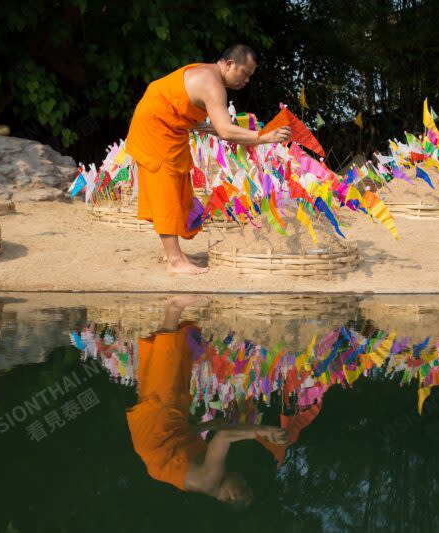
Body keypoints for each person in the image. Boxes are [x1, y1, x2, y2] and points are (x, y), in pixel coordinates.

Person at [125, 45, 292, 275]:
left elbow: (179, 102)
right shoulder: (213, 85)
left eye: (250, 76)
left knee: (179, 183)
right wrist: (265, 137)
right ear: (229, 64)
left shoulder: (208, 74)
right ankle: (174, 260)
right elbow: (225, 130)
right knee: (165, 187)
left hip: (170, 127)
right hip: (155, 129)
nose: (246, 80)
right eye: (245, 73)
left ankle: (172, 251)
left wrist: (203, 126)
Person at [126, 296, 288, 506]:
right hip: (164, 434)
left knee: (168, 367)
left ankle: (173, 307)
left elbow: (222, 438)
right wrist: (208, 426)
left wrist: (265, 430)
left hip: (159, 430)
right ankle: (170, 311)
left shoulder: (209, 480)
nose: (244, 480)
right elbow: (209, 432)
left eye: (244, 488)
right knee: (173, 368)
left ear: (230, 497)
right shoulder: (208, 479)